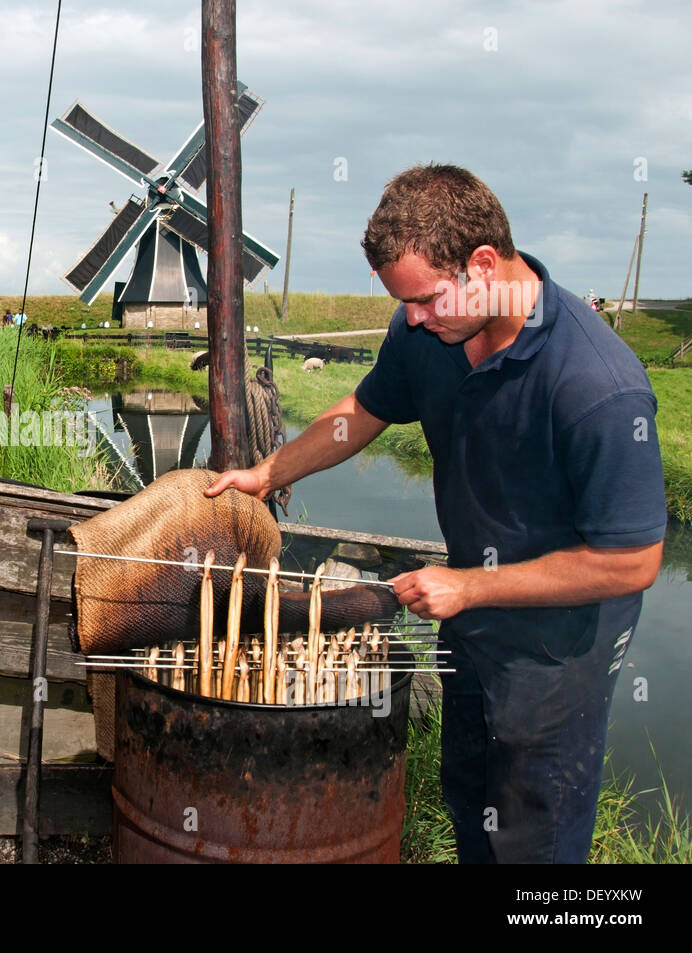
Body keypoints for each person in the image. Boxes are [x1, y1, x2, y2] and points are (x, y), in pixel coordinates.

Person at [205, 164, 665, 864]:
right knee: (470, 798)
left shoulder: (596, 385)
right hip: (470, 613)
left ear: (483, 264)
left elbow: (631, 561)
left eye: (422, 300)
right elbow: (363, 410)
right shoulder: (431, 332)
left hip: (559, 641)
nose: (411, 318)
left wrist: (470, 585)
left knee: (533, 831)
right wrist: (268, 473)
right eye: (403, 303)